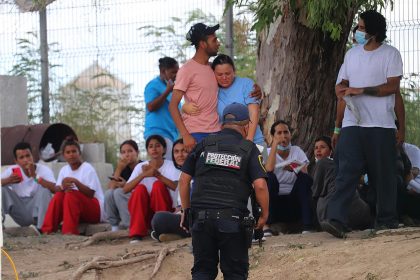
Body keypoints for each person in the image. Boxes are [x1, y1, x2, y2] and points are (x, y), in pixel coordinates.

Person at [322, 10, 404, 238]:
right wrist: (337, 126)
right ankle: (335, 219)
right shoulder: (352, 55)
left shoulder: (391, 54)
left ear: (374, 31)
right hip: (352, 124)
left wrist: (362, 90)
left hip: (381, 125)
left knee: (383, 175)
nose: (356, 32)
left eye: (360, 28)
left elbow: (392, 88)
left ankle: (386, 221)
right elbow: (342, 88)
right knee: (345, 173)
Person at [178, 103, 269, 279]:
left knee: (203, 271)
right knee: (235, 274)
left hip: (201, 220)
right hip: (233, 222)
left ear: (222, 124)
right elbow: (260, 185)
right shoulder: (249, 149)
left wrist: (186, 211)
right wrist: (264, 214)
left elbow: (183, 181)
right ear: (247, 126)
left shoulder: (203, 144)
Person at [182, 53, 265, 149]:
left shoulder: (246, 84)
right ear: (213, 73)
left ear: (234, 71)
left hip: (254, 141)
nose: (224, 78)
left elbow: (253, 113)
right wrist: (184, 107)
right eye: (220, 74)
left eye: (228, 73)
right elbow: (196, 107)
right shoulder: (210, 89)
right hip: (227, 145)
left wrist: (249, 140)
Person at [123, 135, 180, 243]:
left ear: (164, 149)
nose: (154, 149)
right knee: (139, 189)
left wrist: (156, 175)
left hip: (165, 212)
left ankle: (162, 228)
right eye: (151, 146)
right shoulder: (140, 167)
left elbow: (176, 187)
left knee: (158, 185)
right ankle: (137, 234)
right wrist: (143, 175)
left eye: (157, 146)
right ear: (147, 150)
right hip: (145, 214)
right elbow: (125, 189)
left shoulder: (171, 165)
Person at [41, 139, 105, 235]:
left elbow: (91, 194)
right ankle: (47, 230)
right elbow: (57, 189)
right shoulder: (64, 170)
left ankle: (69, 232)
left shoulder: (87, 168)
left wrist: (76, 182)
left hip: (95, 211)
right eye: (68, 152)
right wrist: (62, 186)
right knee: (59, 196)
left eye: (74, 151)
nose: (71, 154)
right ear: (64, 155)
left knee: (71, 194)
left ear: (79, 153)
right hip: (76, 210)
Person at [264, 120, 315, 234]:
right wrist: (274, 146)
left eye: (286, 132)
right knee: (269, 177)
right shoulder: (266, 152)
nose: (283, 136)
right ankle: (266, 225)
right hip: (274, 202)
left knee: (304, 179)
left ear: (290, 134)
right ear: (273, 136)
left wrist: (295, 169)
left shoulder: (297, 150)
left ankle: (308, 226)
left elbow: (305, 176)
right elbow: (268, 169)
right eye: (279, 133)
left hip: (292, 201)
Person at [310, 136, 372, 230]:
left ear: (331, 151)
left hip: (333, 212)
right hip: (362, 212)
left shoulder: (324, 163)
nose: (318, 150)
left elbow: (314, 193)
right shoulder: (341, 165)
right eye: (316, 148)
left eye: (322, 147)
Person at [1, 142, 56, 232]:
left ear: (32, 156)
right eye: (21, 158)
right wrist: (8, 180)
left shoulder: (43, 170)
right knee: (2, 189)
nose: (26, 160)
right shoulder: (12, 171)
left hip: (37, 210)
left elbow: (55, 189)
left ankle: (43, 228)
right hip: (21, 211)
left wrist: (35, 177)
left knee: (44, 189)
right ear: (16, 161)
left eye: (28, 156)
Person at [150, 139, 190, 242]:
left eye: (184, 151)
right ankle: (177, 234)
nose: (180, 155)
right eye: (176, 152)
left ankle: (183, 233)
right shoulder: (181, 173)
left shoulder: (196, 172)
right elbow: (179, 204)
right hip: (182, 215)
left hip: (194, 216)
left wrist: (183, 211)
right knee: (158, 219)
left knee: (159, 219)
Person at [144, 57, 179, 157]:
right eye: (173, 72)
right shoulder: (153, 85)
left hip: (171, 134)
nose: (176, 75)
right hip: (158, 133)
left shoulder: (171, 87)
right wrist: (167, 91)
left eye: (177, 72)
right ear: (163, 71)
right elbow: (150, 107)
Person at [104, 140, 141, 231]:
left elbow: (145, 188)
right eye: (123, 152)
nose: (127, 155)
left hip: (139, 199)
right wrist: (119, 169)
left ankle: (130, 226)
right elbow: (111, 187)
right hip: (123, 201)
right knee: (109, 193)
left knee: (119, 192)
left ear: (137, 152)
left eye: (130, 151)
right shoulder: (123, 168)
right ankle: (114, 227)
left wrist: (126, 185)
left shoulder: (142, 166)